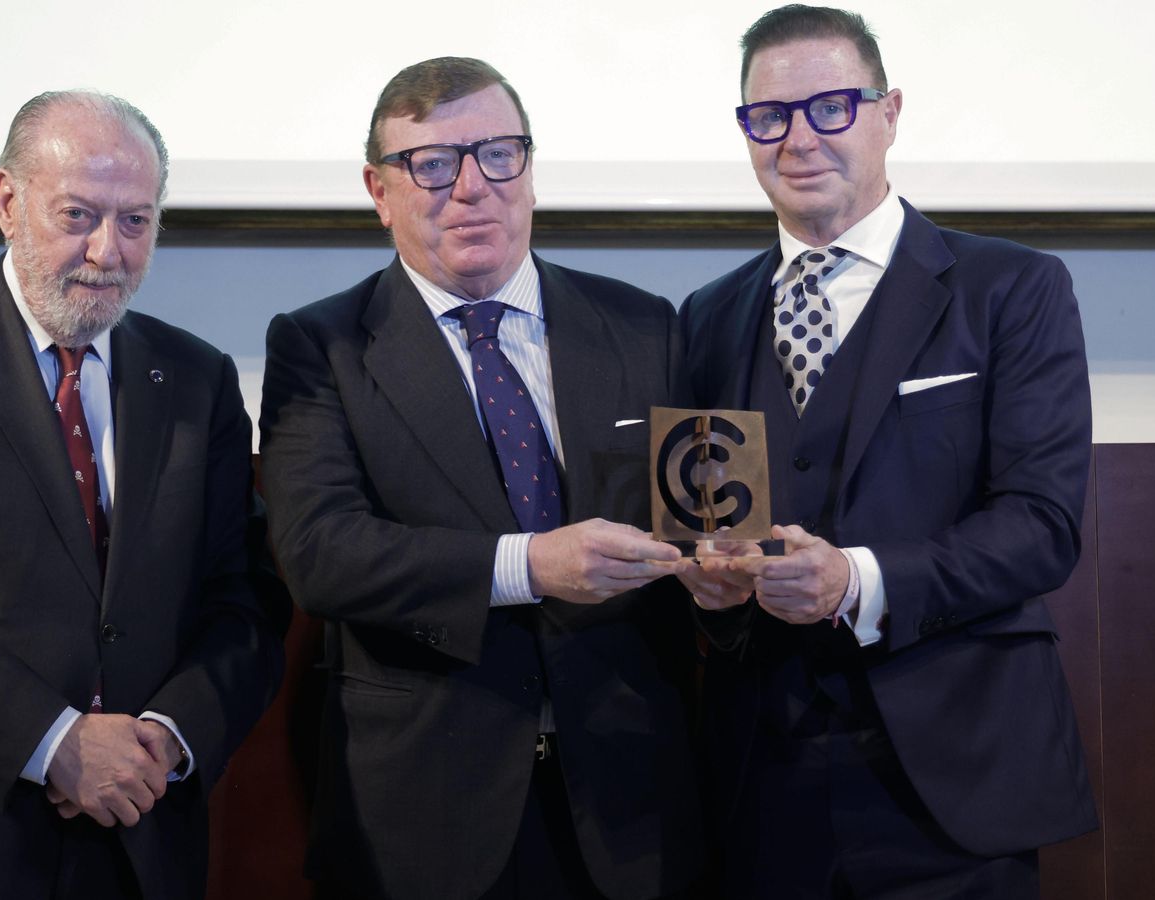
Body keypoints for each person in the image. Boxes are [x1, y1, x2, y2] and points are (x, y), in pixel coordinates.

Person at [0, 90, 288, 900]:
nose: (108, 251)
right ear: (8, 201)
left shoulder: (198, 378)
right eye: (79, 215)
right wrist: (57, 743)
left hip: (140, 838)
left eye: (136, 221)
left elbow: (242, 602)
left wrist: (165, 740)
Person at [674, 6, 1099, 897]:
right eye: (769, 116)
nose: (798, 138)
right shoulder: (705, 318)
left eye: (831, 106)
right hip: (759, 782)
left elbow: (1042, 526)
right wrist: (710, 591)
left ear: (888, 111)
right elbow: (710, 523)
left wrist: (856, 580)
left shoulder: (1011, 287)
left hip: (955, 779)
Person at [260, 57, 704, 900]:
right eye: (432, 163)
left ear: (529, 170)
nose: (472, 187)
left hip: (632, 806)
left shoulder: (643, 327)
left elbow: (685, 523)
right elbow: (321, 554)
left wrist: (718, 583)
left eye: (499, 154)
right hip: (426, 818)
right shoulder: (322, 347)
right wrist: (527, 565)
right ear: (378, 189)